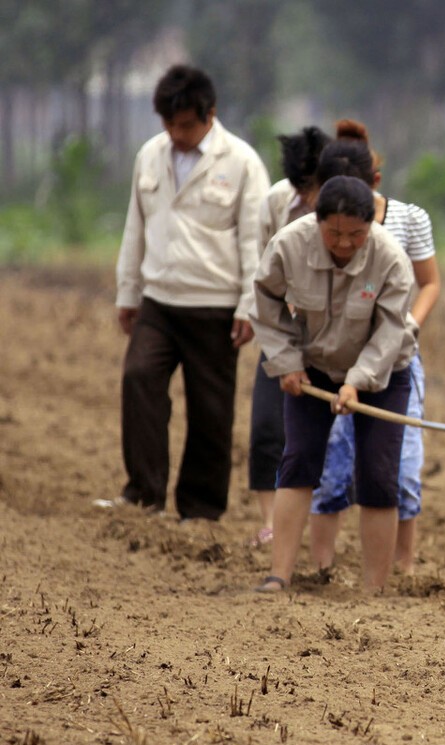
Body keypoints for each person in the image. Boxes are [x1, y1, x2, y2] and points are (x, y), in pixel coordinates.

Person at [101, 64, 269, 520]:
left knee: (211, 411)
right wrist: (128, 292)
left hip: (215, 306)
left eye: (186, 124)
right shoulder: (150, 156)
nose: (176, 133)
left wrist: (249, 306)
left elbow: (255, 241)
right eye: (169, 124)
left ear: (210, 114)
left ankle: (200, 510)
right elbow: (136, 226)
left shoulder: (242, 163)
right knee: (138, 380)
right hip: (158, 300)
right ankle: (143, 494)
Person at [250, 175, 418, 593]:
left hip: (383, 373)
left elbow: (390, 332)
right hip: (313, 367)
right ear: (317, 220)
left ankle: (373, 590)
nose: (344, 244)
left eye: (356, 234)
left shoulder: (392, 259)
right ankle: (279, 576)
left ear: (371, 226)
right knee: (298, 460)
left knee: (379, 474)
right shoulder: (289, 244)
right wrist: (286, 362)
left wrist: (358, 383)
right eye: (335, 233)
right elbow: (266, 302)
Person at [303, 120, 442, 576]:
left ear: (374, 183)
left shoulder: (408, 220)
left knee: (396, 465)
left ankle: (401, 567)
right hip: (333, 361)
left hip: (392, 361)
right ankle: (320, 566)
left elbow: (429, 284)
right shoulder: (313, 228)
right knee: (333, 463)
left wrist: (404, 330)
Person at [249, 125, 333, 546]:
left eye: (317, 186)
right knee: (267, 424)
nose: (312, 197)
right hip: (281, 327)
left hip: (329, 334)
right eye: (305, 187)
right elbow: (261, 267)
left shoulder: (344, 209)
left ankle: (320, 527)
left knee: (324, 438)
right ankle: (270, 522)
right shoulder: (276, 201)